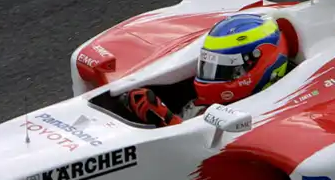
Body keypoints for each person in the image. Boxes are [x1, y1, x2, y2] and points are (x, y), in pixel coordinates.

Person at [120, 13, 295, 127]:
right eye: (210, 66)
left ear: (258, 64)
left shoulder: (277, 115)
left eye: (224, 69)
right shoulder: (202, 104)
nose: (212, 76)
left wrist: (168, 120)